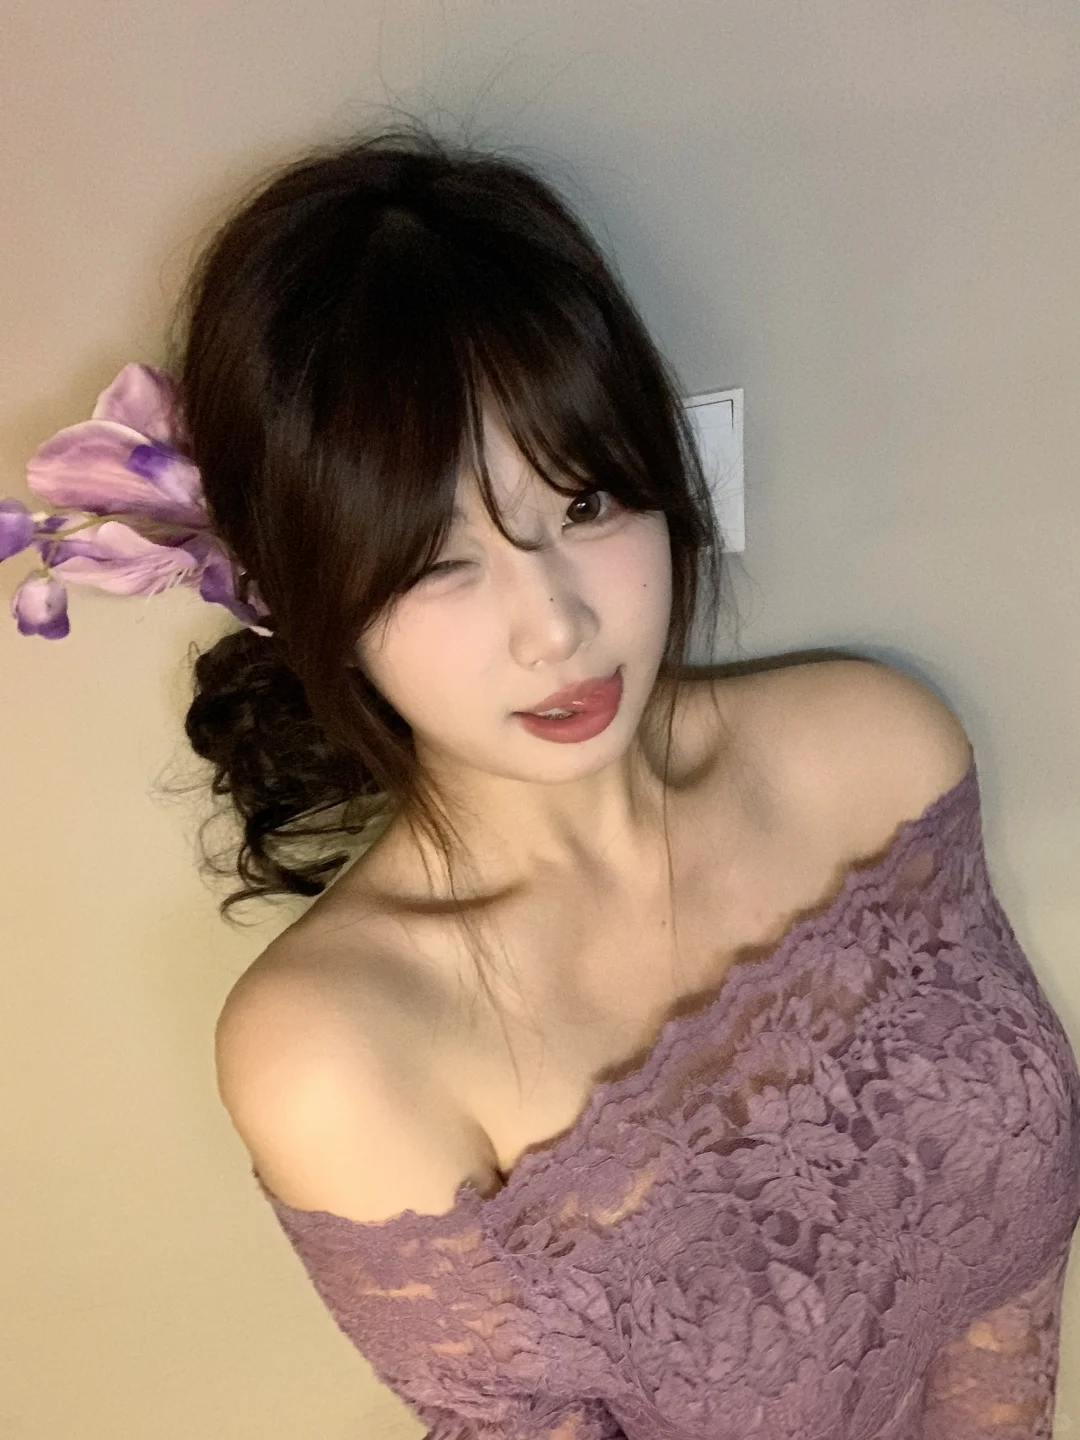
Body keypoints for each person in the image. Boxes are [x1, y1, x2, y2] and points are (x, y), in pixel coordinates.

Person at [30, 123, 1080, 1439]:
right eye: (435, 561)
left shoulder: (880, 757)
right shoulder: (342, 1048)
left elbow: (1006, 1267)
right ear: (306, 595)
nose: (555, 627)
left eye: (585, 504)